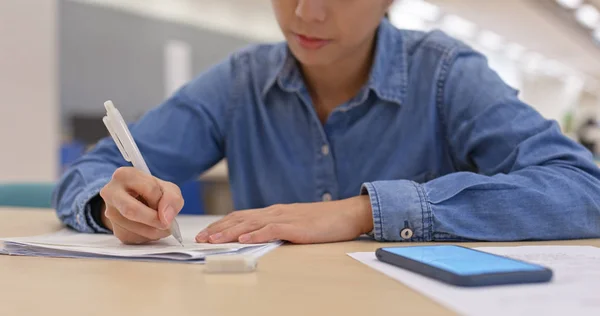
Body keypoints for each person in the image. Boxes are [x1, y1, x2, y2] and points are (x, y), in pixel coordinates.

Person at [53, 0, 600, 245]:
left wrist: (363, 212)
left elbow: (582, 189)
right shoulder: (240, 81)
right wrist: (111, 204)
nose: (306, 13)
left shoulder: (446, 75)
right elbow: (97, 169)